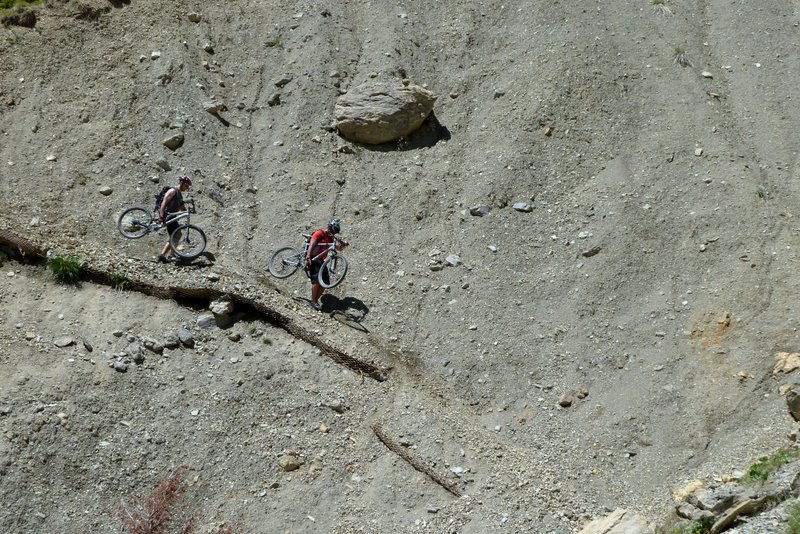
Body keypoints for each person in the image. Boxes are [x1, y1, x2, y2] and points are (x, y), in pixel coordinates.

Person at [306, 219, 349, 310]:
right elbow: (311, 245)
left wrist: (344, 245)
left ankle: (315, 301)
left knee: (325, 283)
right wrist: (308, 257)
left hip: (321, 260)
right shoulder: (320, 233)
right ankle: (313, 301)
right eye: (333, 231)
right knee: (317, 280)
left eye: (335, 232)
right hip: (314, 257)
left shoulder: (331, 237)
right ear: (329, 227)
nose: (333, 234)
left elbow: (338, 248)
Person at [157, 175, 192, 263]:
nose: (186, 188)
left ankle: (163, 255)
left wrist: (187, 211)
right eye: (186, 185)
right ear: (181, 183)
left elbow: (181, 207)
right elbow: (164, 203)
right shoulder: (173, 191)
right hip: (167, 216)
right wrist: (161, 217)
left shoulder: (179, 194)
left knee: (176, 235)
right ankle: (171, 255)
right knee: (177, 235)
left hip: (172, 216)